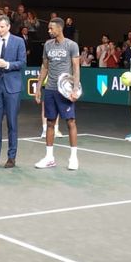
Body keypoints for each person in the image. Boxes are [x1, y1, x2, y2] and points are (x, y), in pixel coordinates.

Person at [33, 17, 81, 170]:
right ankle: (49, 158)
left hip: (65, 90)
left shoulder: (71, 45)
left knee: (70, 122)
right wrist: (39, 87)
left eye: (51, 28)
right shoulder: (47, 45)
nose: (49, 31)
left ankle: (73, 158)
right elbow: (44, 67)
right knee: (50, 123)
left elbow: (76, 68)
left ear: (59, 29)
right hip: (51, 89)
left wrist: (75, 88)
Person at [0, 14, 26, 168]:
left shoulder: (19, 41)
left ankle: (11, 157)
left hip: (12, 88)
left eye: (2, 27)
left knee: (12, 123)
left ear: (8, 27)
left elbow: (22, 63)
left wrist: (6, 64)